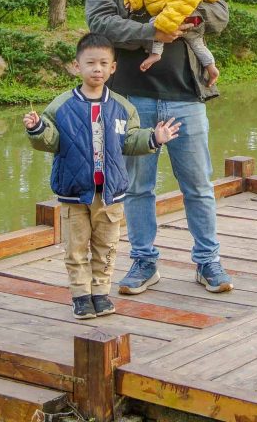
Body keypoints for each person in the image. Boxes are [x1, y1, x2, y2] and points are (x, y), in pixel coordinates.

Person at [85, 0, 234, 294]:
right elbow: (99, 23)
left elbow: (220, 12)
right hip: (133, 100)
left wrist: (189, 18)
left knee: (198, 184)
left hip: (186, 95)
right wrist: (152, 29)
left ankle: (208, 262)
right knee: (136, 188)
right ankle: (143, 262)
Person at [23, 32, 181, 319]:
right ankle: (81, 296)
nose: (97, 69)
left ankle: (101, 294)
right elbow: (50, 141)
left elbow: (130, 141)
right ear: (76, 66)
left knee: (106, 248)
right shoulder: (61, 105)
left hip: (110, 195)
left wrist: (154, 138)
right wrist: (37, 128)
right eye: (90, 63)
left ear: (113, 68)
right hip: (74, 194)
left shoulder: (122, 107)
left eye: (103, 63)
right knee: (76, 248)